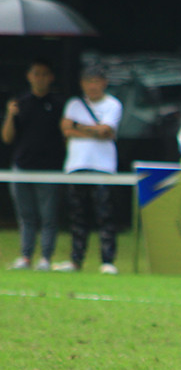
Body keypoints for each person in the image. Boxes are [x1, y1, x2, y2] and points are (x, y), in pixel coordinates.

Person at [54, 63, 123, 275]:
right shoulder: (74, 104)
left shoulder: (113, 105)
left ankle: (107, 261)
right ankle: (76, 260)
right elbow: (66, 129)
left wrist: (78, 127)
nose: (92, 86)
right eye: (88, 81)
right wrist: (94, 131)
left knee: (105, 215)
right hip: (76, 166)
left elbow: (106, 131)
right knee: (77, 216)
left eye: (96, 81)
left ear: (104, 83)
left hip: (103, 168)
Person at [2, 57, 65, 271]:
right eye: (36, 74)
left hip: (49, 169)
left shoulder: (58, 104)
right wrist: (10, 114)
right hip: (22, 167)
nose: (40, 78)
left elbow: (65, 135)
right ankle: (26, 256)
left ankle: (45, 258)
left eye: (44, 74)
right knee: (26, 216)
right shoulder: (20, 103)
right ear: (29, 76)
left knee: (48, 217)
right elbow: (7, 137)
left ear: (51, 77)